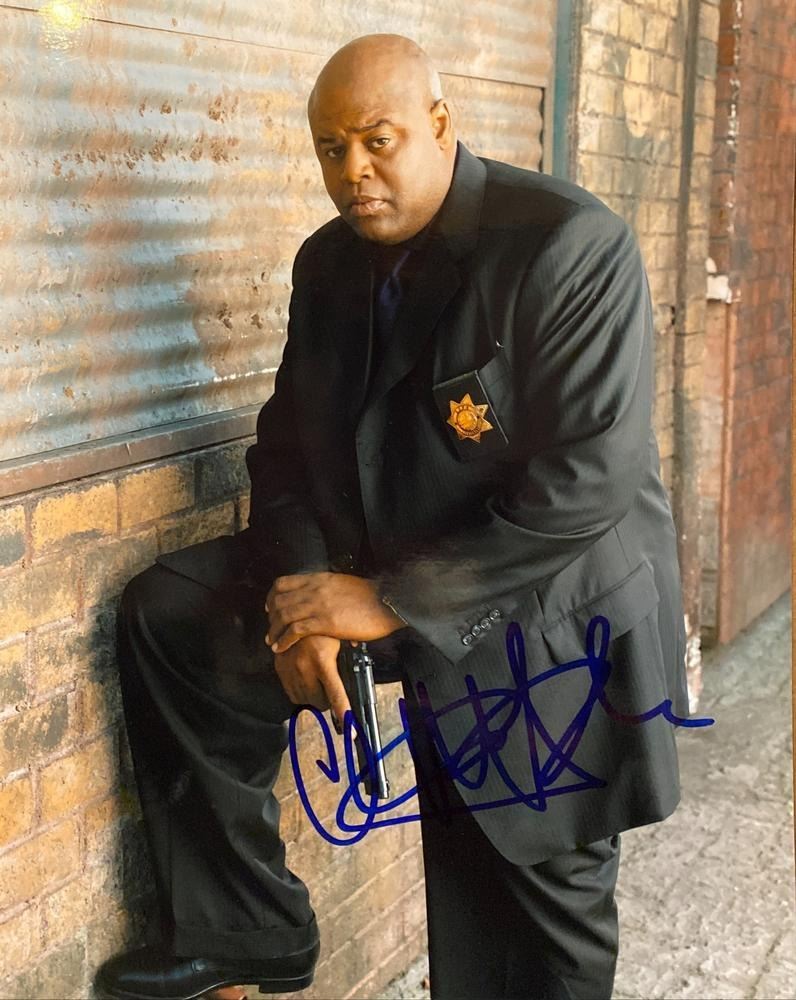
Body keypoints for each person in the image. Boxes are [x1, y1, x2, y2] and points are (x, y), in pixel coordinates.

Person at [97, 33, 690, 1000]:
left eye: (378, 141)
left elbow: (589, 481)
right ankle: (246, 930)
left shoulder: (568, 243)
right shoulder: (328, 264)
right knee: (174, 615)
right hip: (386, 571)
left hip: (545, 605)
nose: (353, 171)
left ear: (441, 125)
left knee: (526, 907)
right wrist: (303, 601)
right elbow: (286, 456)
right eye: (331, 149)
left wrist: (384, 602)